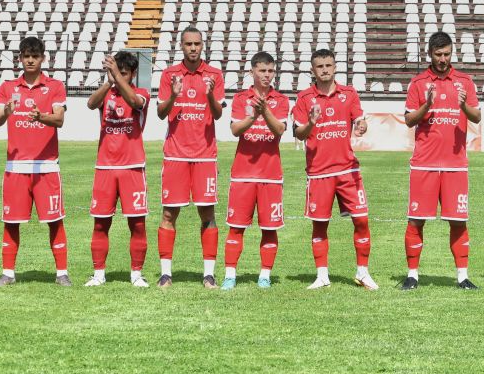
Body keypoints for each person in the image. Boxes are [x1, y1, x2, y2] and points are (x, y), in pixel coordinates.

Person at [399, 32, 481, 291]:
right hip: (424, 163)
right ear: (430, 54)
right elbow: (410, 120)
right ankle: (412, 275)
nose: (443, 59)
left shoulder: (464, 81)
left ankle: (462, 277)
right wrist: (427, 106)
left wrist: (464, 105)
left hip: (456, 165)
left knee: (458, 221)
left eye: (446, 54)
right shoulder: (418, 83)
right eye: (438, 55)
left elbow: (476, 117)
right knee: (416, 220)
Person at [292, 49, 377, 290]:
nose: (325, 70)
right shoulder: (305, 98)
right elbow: (298, 133)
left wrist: (361, 126)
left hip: (348, 170)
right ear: (313, 70)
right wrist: (311, 122)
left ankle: (362, 272)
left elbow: (359, 120)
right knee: (320, 224)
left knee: (361, 220)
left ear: (335, 67)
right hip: (319, 172)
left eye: (329, 65)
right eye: (320, 66)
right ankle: (322, 275)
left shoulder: (348, 94)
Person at [0, 36, 69, 287]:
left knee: (54, 220)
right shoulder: (8, 87)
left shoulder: (55, 86)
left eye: (35, 56)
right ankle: (8, 273)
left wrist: (40, 117)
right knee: (11, 221)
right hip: (16, 167)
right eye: (26, 56)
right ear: (20, 58)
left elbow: (59, 121)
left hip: (47, 166)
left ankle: (61, 273)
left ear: (43, 58)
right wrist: (7, 111)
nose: (30, 60)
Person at [156, 27, 226, 288]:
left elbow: (218, 114)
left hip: (205, 156)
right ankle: (166, 274)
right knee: (168, 214)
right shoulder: (169, 75)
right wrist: (174, 94)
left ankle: (208, 274)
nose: (193, 48)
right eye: (189, 44)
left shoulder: (214, 75)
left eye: (197, 43)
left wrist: (208, 94)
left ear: (203, 45)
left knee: (207, 214)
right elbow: (161, 113)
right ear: (181, 46)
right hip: (175, 155)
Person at [223, 52, 289, 290]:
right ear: (252, 72)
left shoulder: (281, 99)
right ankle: (230, 274)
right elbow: (235, 130)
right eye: (262, 70)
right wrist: (253, 117)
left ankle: (264, 275)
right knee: (236, 226)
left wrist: (265, 111)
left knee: (269, 228)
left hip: (271, 175)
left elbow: (280, 129)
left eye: (270, 71)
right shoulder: (241, 98)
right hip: (242, 173)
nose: (267, 75)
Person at [86, 51, 151, 287]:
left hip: (132, 167)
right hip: (105, 166)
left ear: (133, 74)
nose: (117, 76)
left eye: (123, 73)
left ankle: (136, 274)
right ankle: (98, 274)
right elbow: (90, 103)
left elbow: (134, 102)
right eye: (115, 71)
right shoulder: (107, 93)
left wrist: (118, 78)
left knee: (137, 223)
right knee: (101, 222)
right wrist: (109, 82)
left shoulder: (141, 93)